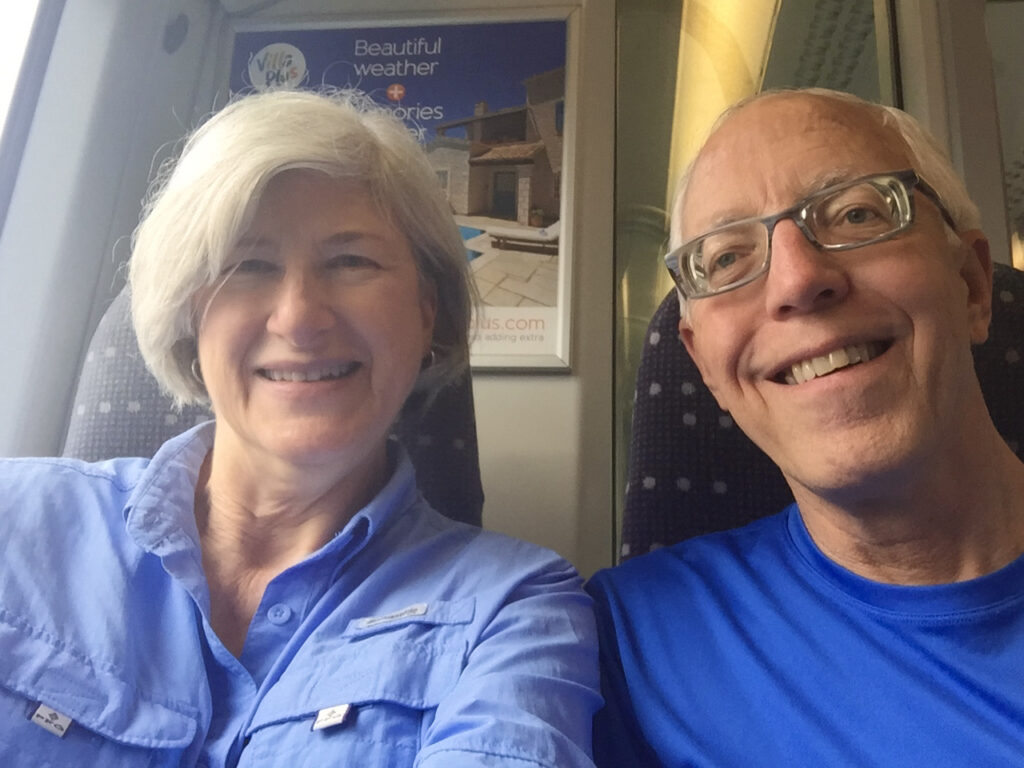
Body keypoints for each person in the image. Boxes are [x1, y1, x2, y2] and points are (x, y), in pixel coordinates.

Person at [0, 89, 600, 767]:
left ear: (425, 312)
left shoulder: (513, 611)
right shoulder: (15, 521)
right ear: (192, 315)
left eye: (352, 262)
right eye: (248, 265)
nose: (299, 318)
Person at [587, 87, 1024, 766]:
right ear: (704, 366)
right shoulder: (619, 643)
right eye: (727, 257)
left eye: (855, 213)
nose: (797, 279)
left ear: (970, 284)